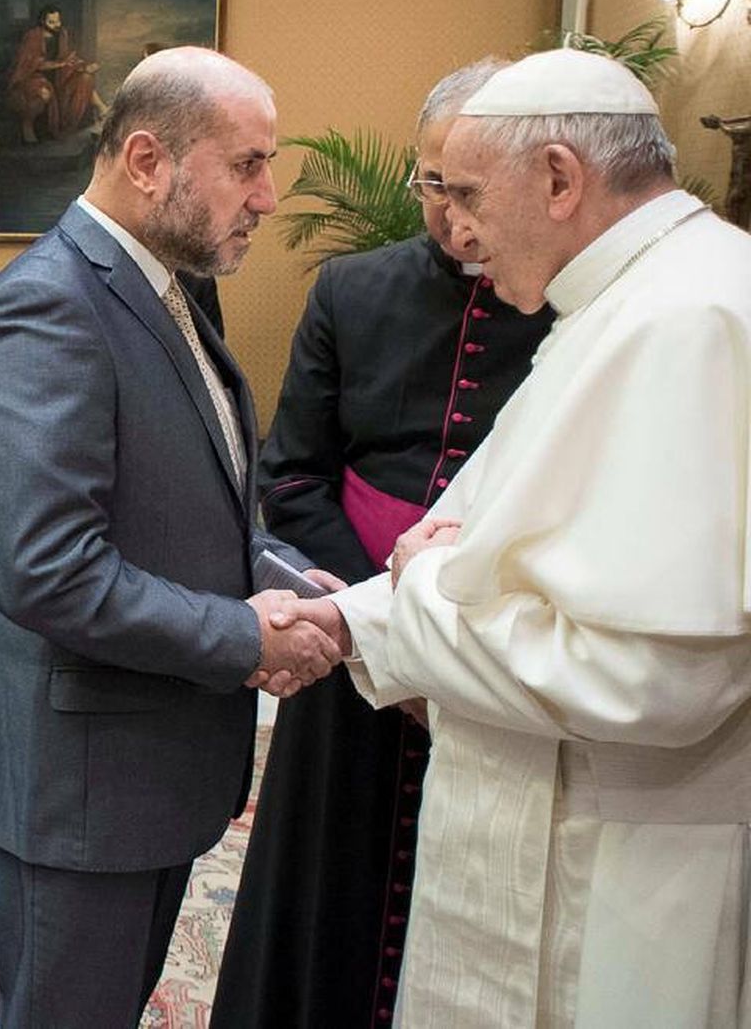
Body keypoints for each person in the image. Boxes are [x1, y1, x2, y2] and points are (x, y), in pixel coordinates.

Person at [281, 49, 751, 1026]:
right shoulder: (613, 304)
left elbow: (653, 675)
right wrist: (350, 613)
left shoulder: (691, 318)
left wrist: (416, 594)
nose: (460, 230)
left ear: (557, 178)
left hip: (618, 880)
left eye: (469, 194)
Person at [0, 47, 342, 1028]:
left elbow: (196, 506)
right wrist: (249, 636)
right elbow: (48, 571)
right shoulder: (48, 305)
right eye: (248, 163)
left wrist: (295, 577)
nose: (268, 194)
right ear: (145, 158)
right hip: (80, 788)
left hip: (149, 766)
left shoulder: (170, 288)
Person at [211, 60, 555, 1028]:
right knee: (336, 875)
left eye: (469, 188)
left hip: (498, 649)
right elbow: (290, 474)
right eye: (431, 183)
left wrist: (443, 633)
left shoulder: (581, 308)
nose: (449, 213)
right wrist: (379, 623)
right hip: (353, 634)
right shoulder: (352, 290)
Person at [7, 5, 109, 144]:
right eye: (51, 22)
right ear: (43, 22)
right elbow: (33, 64)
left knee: (85, 78)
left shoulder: (62, 35)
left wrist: (84, 66)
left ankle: (101, 108)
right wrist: (60, 64)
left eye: (58, 21)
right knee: (44, 92)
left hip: (58, 77)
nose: (56, 25)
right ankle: (28, 126)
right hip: (33, 77)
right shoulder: (33, 36)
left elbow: (66, 57)